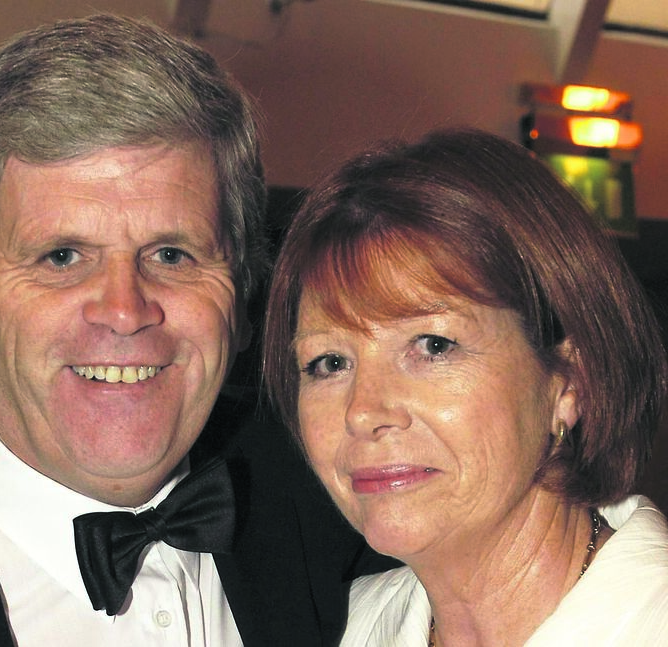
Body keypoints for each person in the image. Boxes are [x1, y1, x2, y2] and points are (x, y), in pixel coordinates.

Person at [0, 15, 390, 647]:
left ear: (244, 298)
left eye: (172, 254)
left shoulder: (351, 510)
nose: (124, 310)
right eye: (62, 257)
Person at [263, 128, 668, 645]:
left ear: (569, 383)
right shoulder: (354, 626)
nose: (362, 411)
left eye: (432, 345)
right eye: (328, 362)